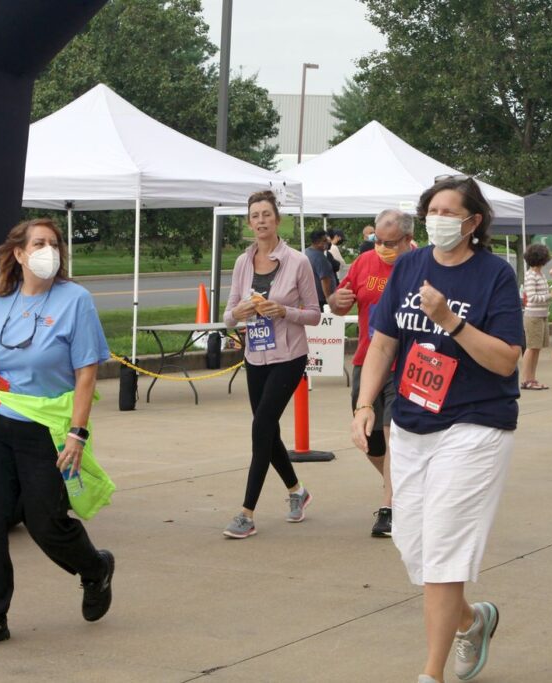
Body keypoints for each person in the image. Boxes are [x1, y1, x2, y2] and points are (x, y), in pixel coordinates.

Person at [350, 177, 522, 683]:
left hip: (474, 425)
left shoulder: (495, 275)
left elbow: (506, 360)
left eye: (450, 212)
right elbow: (383, 342)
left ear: (473, 222)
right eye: (433, 210)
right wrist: (364, 404)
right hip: (411, 422)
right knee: (415, 547)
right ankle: (470, 621)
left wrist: (449, 319)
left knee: (444, 553)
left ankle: (431, 673)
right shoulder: (409, 266)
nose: (438, 219)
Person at [0, 217, 114, 649]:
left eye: (55, 244)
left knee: (45, 522)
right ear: (19, 253)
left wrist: (77, 433)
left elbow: (86, 372)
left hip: (45, 427)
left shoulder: (75, 300)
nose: (49, 251)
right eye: (39, 243)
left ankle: (94, 568)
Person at [222, 191, 322, 539]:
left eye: (266, 214)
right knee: (267, 430)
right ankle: (297, 491)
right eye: (255, 215)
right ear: (249, 223)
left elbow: (314, 314)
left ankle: (246, 513)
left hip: (289, 356)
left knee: (261, 425)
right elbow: (228, 316)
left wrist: (284, 311)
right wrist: (239, 312)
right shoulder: (242, 262)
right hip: (255, 355)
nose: (261, 220)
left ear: (278, 220)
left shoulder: (298, 262)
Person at [328, 209, 414, 538]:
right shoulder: (364, 262)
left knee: (394, 437)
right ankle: (399, 485)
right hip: (367, 362)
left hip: (404, 364)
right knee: (370, 441)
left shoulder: (421, 265)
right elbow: (339, 305)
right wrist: (336, 300)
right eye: (377, 240)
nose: (382, 248)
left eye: (390, 243)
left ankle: (389, 507)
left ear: (408, 239)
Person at [520, 242, 552, 390]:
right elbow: (532, 297)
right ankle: (526, 380)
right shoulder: (531, 275)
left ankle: (532, 379)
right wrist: (550, 296)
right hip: (533, 316)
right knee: (531, 347)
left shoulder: (540, 274)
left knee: (537, 348)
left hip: (542, 314)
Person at [305, 228, 336, 309]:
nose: (328, 242)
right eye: (325, 240)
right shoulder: (320, 258)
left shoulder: (306, 252)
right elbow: (325, 280)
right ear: (317, 242)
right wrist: (328, 298)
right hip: (321, 300)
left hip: (310, 297)